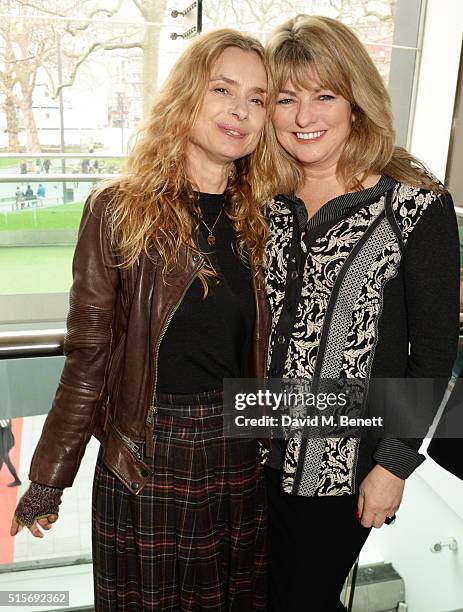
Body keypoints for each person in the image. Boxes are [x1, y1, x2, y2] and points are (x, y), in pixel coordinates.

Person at [11, 29, 271, 611]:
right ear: (185, 97)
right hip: (145, 456)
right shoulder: (118, 209)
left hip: (237, 451)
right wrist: (51, 475)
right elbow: (88, 359)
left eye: (257, 98)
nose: (240, 111)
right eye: (222, 89)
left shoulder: (264, 217)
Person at [260, 15, 460, 611]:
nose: (304, 117)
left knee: (305, 599)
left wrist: (394, 466)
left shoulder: (416, 204)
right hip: (250, 449)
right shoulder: (261, 197)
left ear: (356, 102)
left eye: (324, 96)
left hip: (347, 465)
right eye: (286, 98)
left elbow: (432, 354)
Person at [0, 419, 21, 487]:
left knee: (6, 461)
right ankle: (17, 480)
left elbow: (4, 427)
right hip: (5, 442)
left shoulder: (4, 417)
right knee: (1, 459)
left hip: (4, 443)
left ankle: (17, 480)